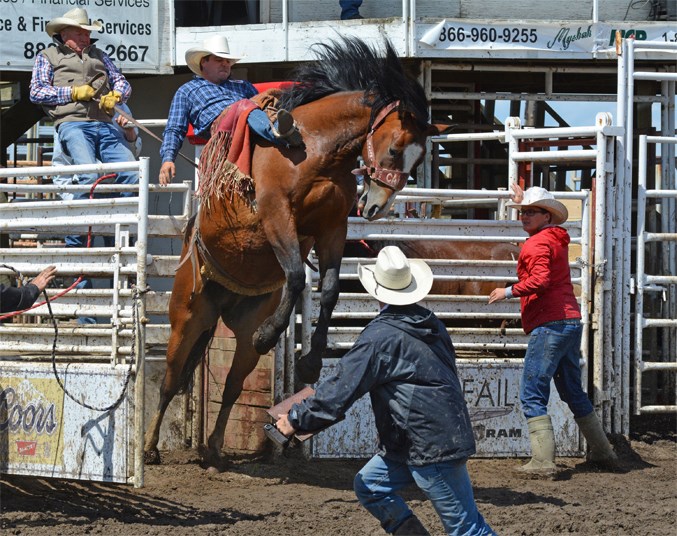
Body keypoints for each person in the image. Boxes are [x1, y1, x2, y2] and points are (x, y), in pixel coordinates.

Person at [275, 246, 495, 536]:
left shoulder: (380, 337)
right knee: (370, 485)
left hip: (426, 442)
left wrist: (294, 419)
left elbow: (339, 392)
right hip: (427, 437)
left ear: (376, 292)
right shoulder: (431, 325)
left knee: (467, 530)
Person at [488, 184, 618, 475]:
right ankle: (603, 451)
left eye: (530, 213)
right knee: (572, 389)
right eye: (522, 212)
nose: (523, 217)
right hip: (569, 319)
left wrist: (507, 291)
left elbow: (541, 279)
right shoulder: (556, 239)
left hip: (550, 323)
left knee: (532, 391)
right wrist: (529, 204)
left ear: (546, 216)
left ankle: (543, 461)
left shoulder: (536, 244)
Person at [159, 35, 303, 185]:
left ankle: (290, 129)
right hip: (222, 130)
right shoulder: (187, 91)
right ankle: (280, 133)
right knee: (243, 106)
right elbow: (174, 129)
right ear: (204, 62)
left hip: (250, 122)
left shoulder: (243, 85)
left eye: (227, 61)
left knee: (266, 99)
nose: (225, 64)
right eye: (219, 60)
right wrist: (168, 159)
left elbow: (260, 106)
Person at [51, 103, 142, 201]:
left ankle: (127, 213)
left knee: (133, 175)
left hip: (118, 190)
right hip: (83, 190)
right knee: (88, 176)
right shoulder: (71, 112)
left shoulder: (120, 108)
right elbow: (60, 165)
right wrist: (73, 201)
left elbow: (133, 156)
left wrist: (129, 132)